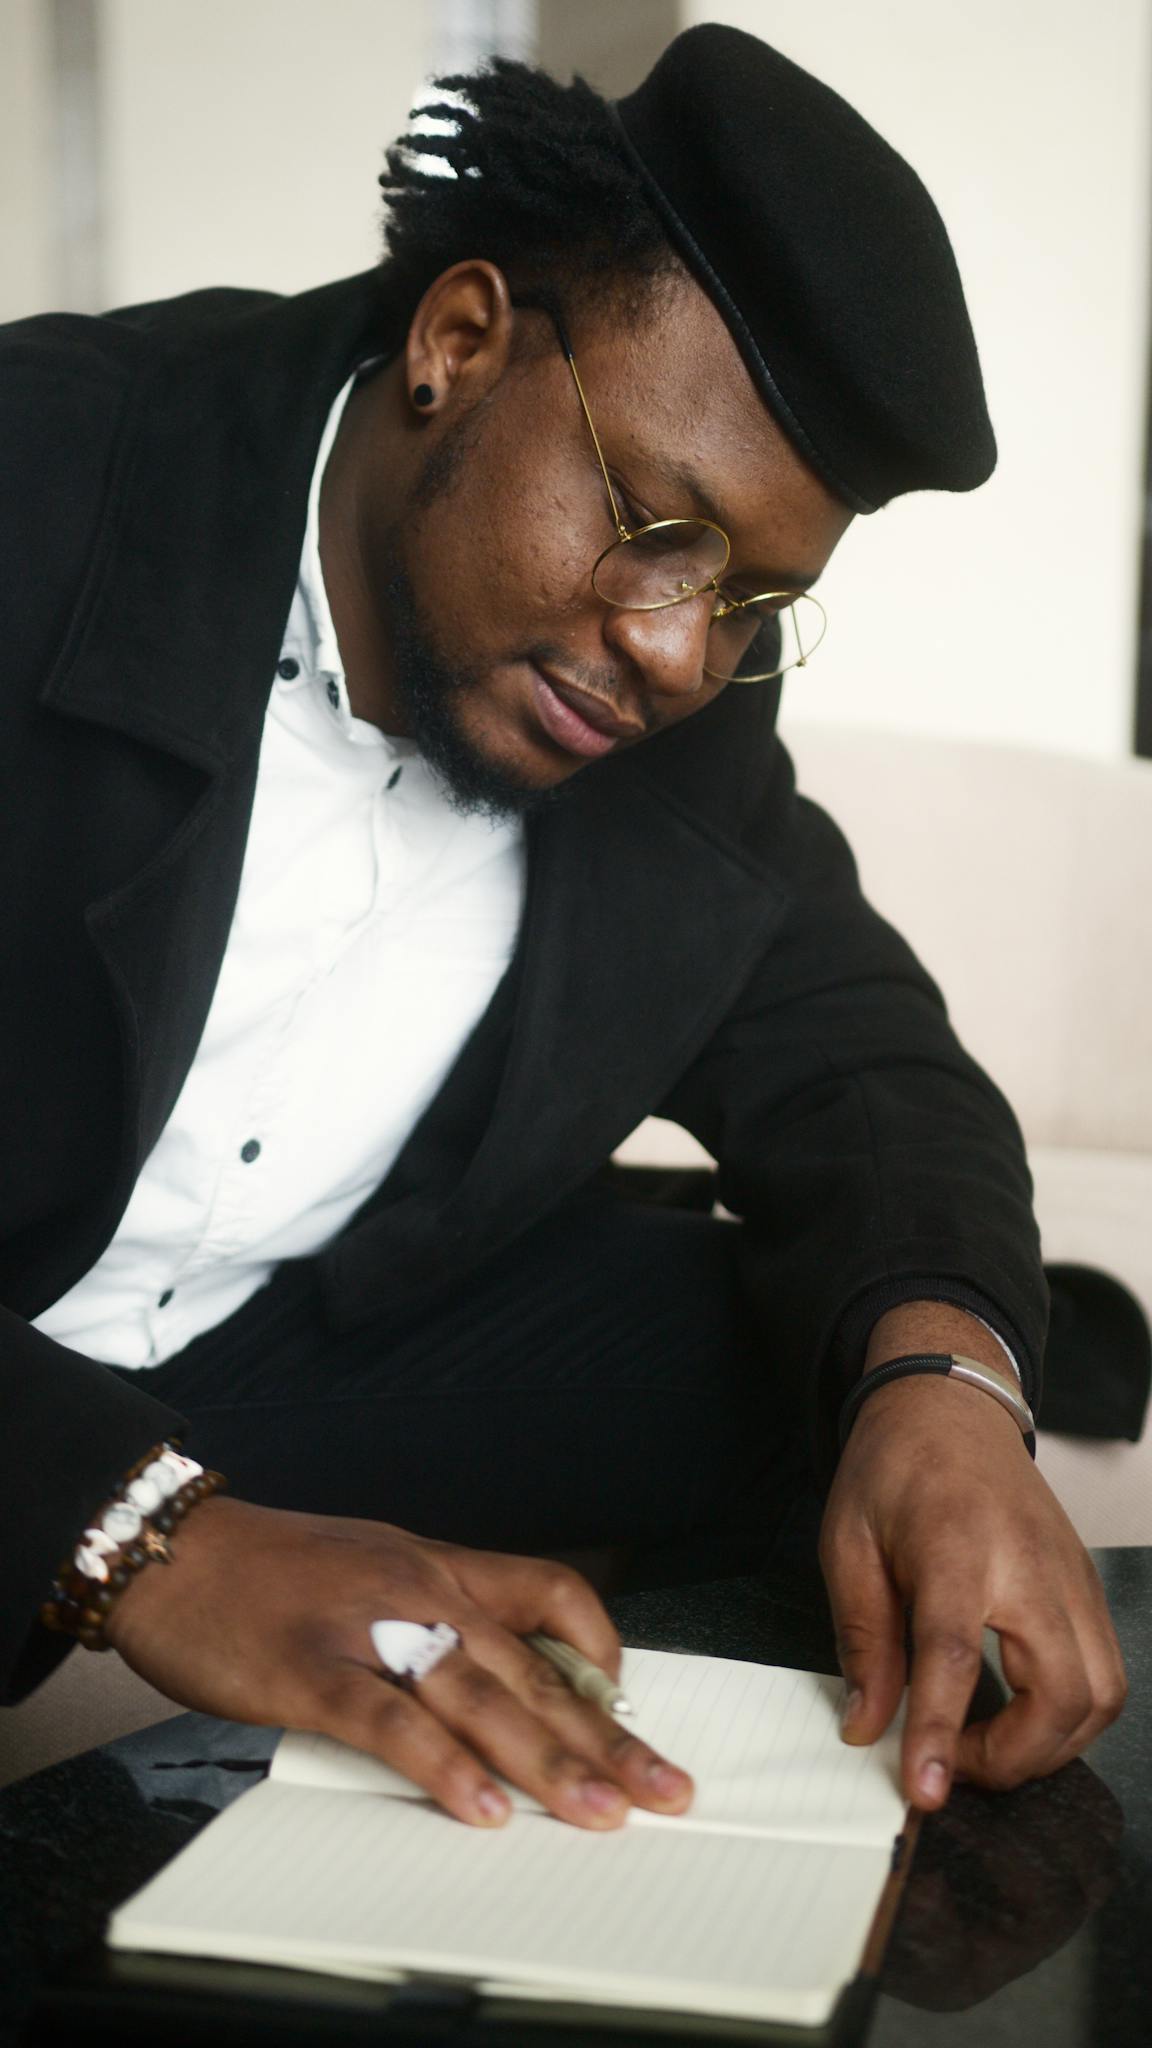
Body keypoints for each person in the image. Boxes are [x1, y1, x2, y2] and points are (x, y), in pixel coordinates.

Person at [1, 25, 1124, 1830]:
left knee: (825, 1369)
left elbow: (859, 1048)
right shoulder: (40, 477)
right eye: (655, 530)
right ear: (458, 342)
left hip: (268, 1345)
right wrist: (141, 1539)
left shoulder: (660, 699)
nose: (682, 652)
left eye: (753, 597)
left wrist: (948, 1378)